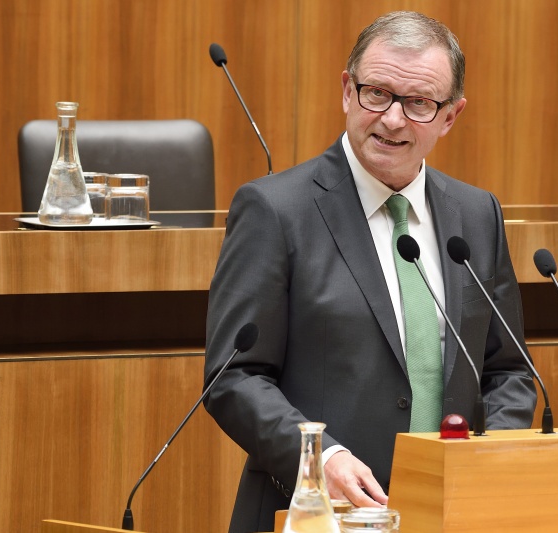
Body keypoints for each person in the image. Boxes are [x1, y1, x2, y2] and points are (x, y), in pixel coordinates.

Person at [204, 11, 537, 533]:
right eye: (376, 93)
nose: (392, 119)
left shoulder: (477, 215)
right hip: (316, 514)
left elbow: (509, 371)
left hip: (449, 515)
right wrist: (322, 459)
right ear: (346, 90)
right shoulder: (275, 210)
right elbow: (234, 376)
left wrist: (488, 460)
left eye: (419, 103)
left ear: (450, 116)